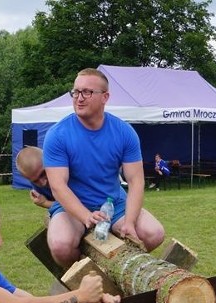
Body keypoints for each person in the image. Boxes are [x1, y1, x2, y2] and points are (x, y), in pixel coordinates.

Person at [43, 68, 165, 267]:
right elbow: (58, 186)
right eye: (75, 92)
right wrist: (85, 216)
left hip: (113, 204)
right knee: (60, 245)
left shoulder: (124, 132)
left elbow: (136, 181)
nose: (79, 98)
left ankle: (112, 273)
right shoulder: (57, 135)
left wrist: (130, 222)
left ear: (105, 97)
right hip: (72, 207)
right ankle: (85, 280)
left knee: (154, 234)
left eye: (87, 92)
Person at [15, 145, 55, 213]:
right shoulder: (37, 186)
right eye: (35, 181)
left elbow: (76, 205)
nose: (43, 183)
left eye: (43, 173)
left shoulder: (69, 171)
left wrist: (46, 203)